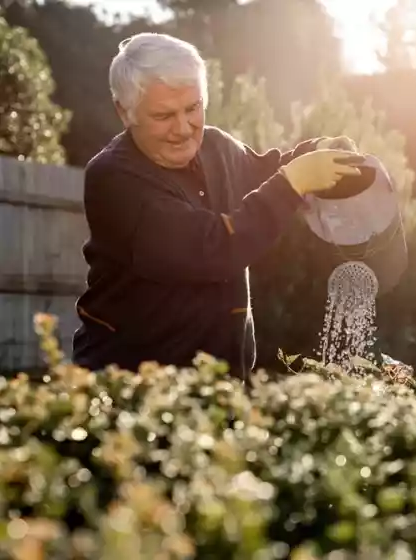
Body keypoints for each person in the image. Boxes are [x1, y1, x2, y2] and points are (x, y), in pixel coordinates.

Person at [71, 32, 364, 378]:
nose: (183, 128)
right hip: (130, 386)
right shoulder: (113, 178)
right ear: (125, 112)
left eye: (192, 108)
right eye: (163, 116)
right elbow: (210, 249)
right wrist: (293, 183)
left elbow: (267, 172)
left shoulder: (218, 148)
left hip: (220, 384)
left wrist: (317, 151)